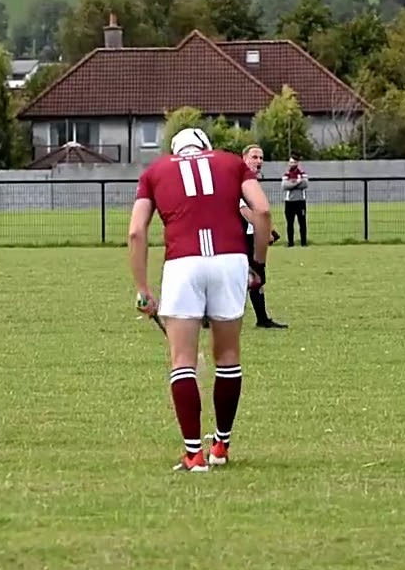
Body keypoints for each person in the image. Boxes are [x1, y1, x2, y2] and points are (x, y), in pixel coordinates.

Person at [129, 127, 272, 473]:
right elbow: (264, 212)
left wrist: (143, 287)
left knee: (182, 360)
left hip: (182, 264)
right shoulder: (232, 163)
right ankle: (221, 445)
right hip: (230, 261)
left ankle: (193, 453)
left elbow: (136, 231)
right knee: (227, 356)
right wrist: (258, 265)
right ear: (207, 146)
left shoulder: (154, 172)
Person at [240, 145, 287, 330]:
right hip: (238, 236)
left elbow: (259, 210)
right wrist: (264, 231)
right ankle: (210, 315)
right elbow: (243, 209)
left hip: (252, 236)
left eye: (261, 157)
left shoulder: (252, 181)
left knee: (256, 276)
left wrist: (269, 229)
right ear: (244, 158)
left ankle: (262, 318)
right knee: (240, 277)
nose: (259, 161)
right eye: (254, 157)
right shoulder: (239, 181)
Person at [281, 157, 309, 247]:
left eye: (294, 162)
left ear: (297, 163)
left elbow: (305, 184)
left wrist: (292, 184)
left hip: (300, 202)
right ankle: (290, 243)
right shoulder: (286, 174)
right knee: (290, 223)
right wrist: (297, 182)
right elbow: (285, 186)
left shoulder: (303, 174)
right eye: (290, 162)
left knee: (302, 223)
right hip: (289, 202)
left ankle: (304, 243)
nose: (292, 164)